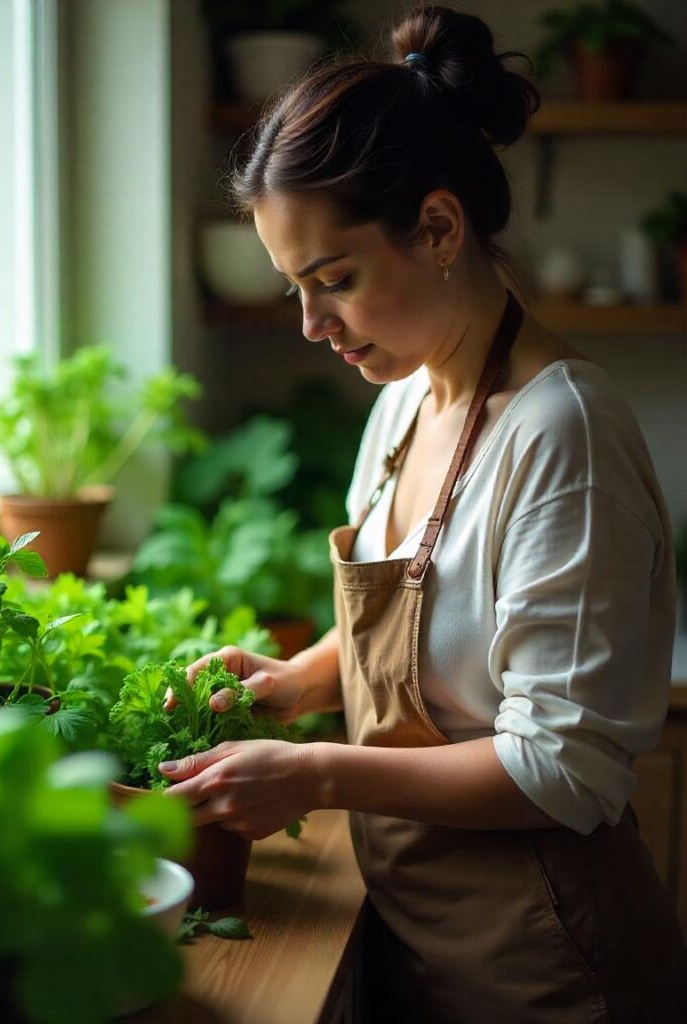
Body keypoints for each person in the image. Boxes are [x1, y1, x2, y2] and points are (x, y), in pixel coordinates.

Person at [159, 5, 687, 1020]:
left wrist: (316, 773)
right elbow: (430, 629)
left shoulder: (559, 435)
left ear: (438, 228)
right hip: (423, 934)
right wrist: (296, 681)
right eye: (293, 291)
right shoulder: (404, 398)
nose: (313, 326)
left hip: (550, 964)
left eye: (335, 281)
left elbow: (561, 767)